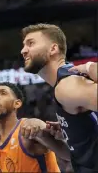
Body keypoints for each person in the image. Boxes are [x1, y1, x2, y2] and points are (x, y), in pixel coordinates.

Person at [21, 23, 98, 172]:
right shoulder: (64, 85)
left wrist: (91, 67)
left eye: (31, 43)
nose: (23, 50)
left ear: (53, 49)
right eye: (24, 45)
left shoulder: (66, 86)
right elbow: (79, 156)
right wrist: (68, 132)